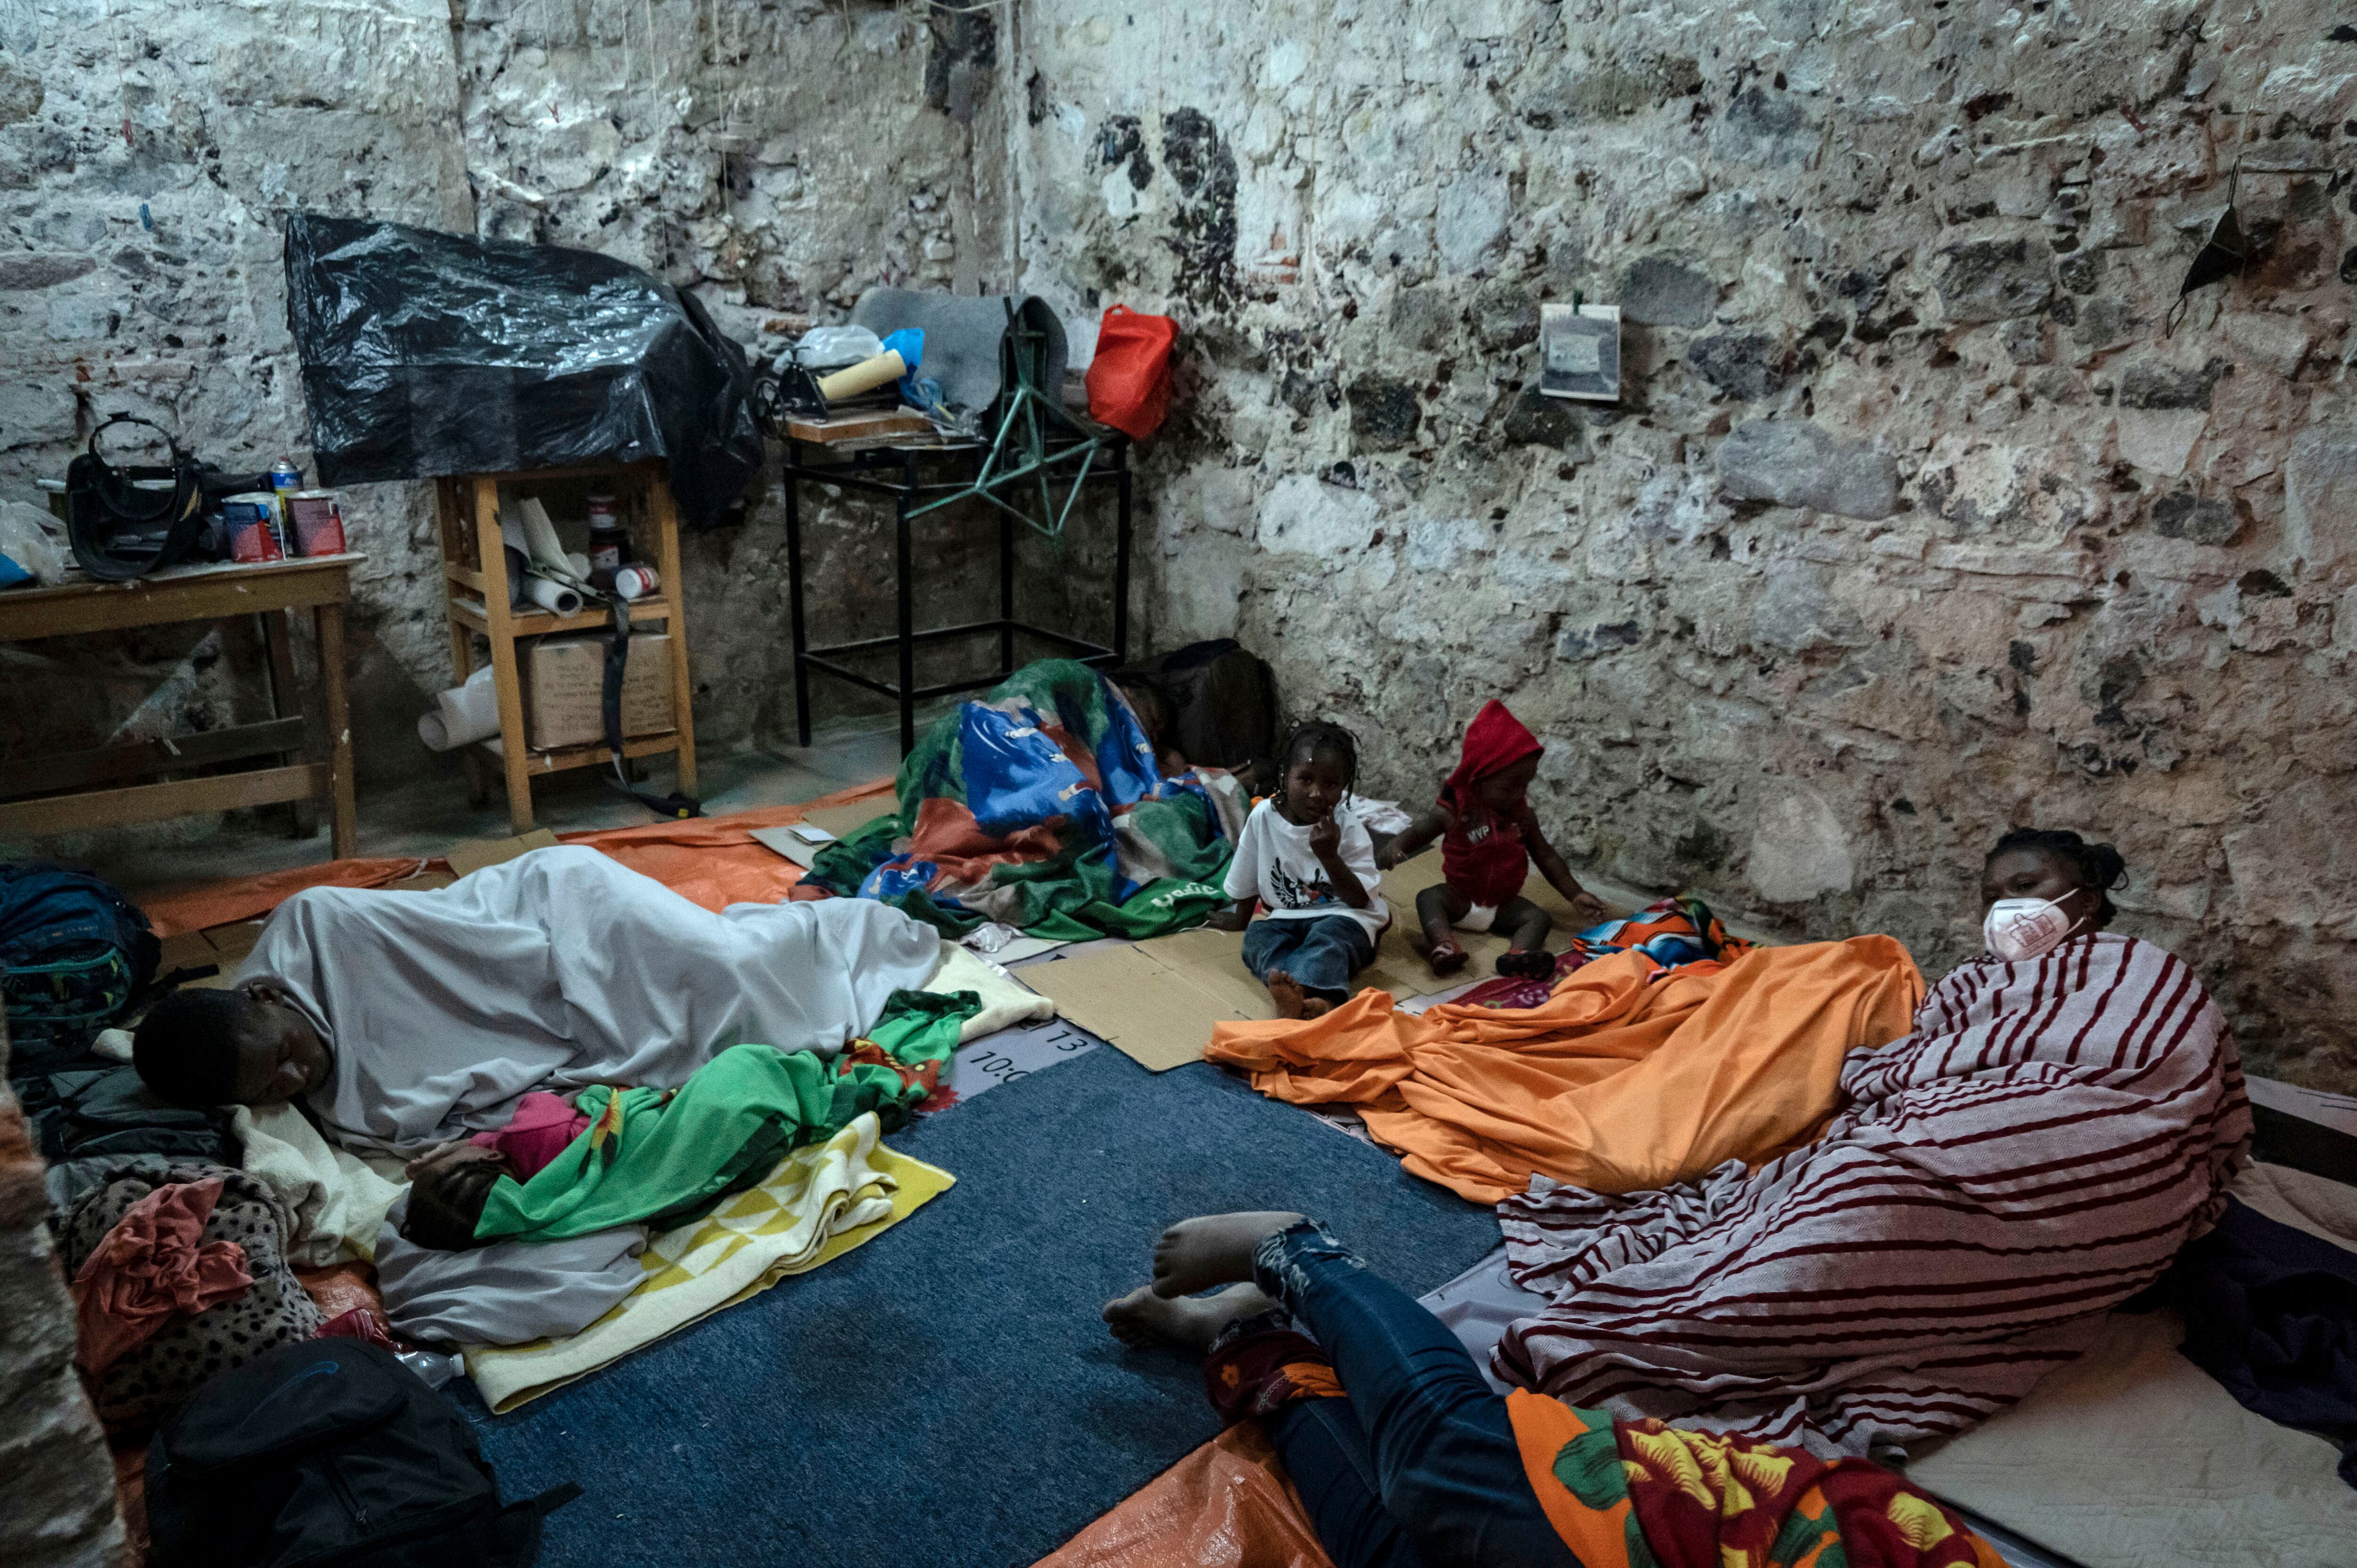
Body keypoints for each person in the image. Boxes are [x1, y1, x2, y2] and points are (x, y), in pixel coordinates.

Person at [1490, 827, 2252, 1459]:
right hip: (1959, 1125)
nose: (2006, 908)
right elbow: (1918, 1062)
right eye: (1992, 896)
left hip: (2105, 1152)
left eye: (2027, 887)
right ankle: (1728, 1307)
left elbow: (2171, 1062)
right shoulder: (1968, 984)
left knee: (1877, 1177)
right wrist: (1904, 1082)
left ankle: (1663, 1330)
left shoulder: (2147, 970)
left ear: (2084, 898)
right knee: (1859, 1176)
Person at [1104, 1211, 2005, 1568]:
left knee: (1396, 1548)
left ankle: (1246, 1335)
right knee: (1440, 1458)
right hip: (1770, 1546)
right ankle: (1296, 1248)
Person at [132, 846, 942, 1155]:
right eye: (265, 1089)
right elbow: (465, 1097)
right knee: (716, 1040)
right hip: (558, 1021)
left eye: (279, 1054)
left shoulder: (324, 921)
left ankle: (859, 930)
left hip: (558, 920)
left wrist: (563, 1000)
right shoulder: (340, 1110)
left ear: (266, 992)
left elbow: (479, 948)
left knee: (727, 961)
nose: (289, 1080)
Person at [396, 1042, 917, 1251]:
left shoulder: (541, 1202)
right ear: (487, 1156)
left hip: (733, 1152)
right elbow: (546, 1106)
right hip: (730, 1119)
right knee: (740, 1064)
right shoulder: (524, 1136)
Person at [1375, 701, 1608, 979]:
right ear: (1479, 778)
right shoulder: (1453, 811)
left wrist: (1575, 894)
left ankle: (1518, 956)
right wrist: (1395, 847)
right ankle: (1444, 947)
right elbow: (1418, 833)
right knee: (1428, 898)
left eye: (1525, 786)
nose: (1518, 794)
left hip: (1504, 905)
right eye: (1510, 786)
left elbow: (1545, 856)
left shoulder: (1522, 816)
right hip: (1459, 898)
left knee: (1538, 918)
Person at [1204, 720, 1387, 1019]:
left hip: (1344, 915)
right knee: (1257, 938)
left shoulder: (1348, 828)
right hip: (1285, 916)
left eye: (1330, 784)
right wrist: (1240, 919)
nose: (1317, 793)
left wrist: (1329, 856)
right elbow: (1248, 870)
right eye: (1306, 779)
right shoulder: (1264, 816)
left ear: (1344, 786)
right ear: (1284, 777)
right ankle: (1306, 996)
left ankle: (1306, 993)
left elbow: (1360, 900)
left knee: (1330, 941)